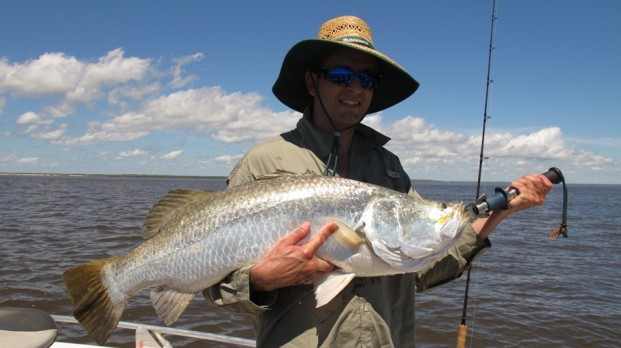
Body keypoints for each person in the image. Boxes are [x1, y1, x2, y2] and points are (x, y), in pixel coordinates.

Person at [205, 15, 552, 347]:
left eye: (367, 79)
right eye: (341, 75)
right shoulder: (264, 162)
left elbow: (422, 266)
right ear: (312, 82)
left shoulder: (390, 168)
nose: (355, 88)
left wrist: (503, 210)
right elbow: (212, 281)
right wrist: (262, 279)